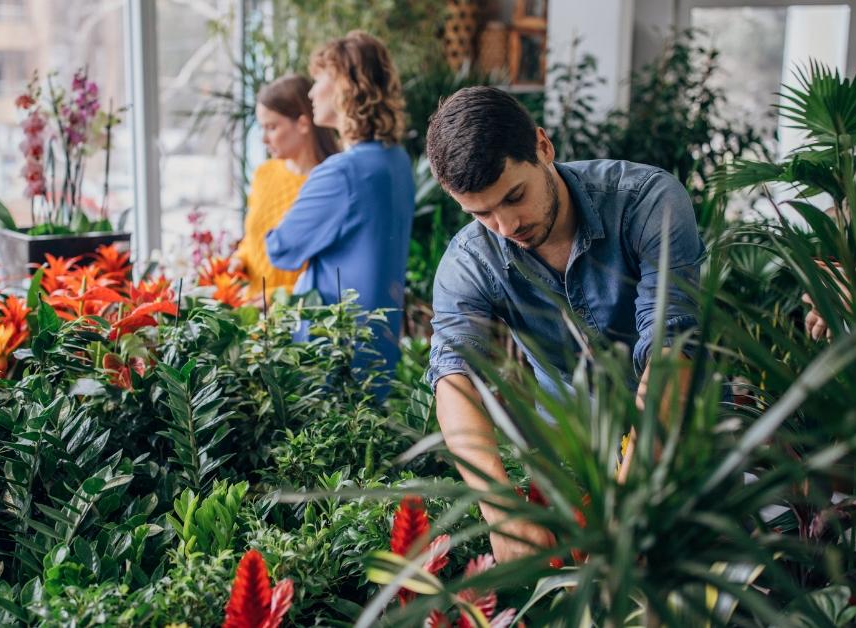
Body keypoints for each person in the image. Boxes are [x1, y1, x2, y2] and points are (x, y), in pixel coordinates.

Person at [423, 86, 704, 561]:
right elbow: (453, 377)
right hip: (574, 465)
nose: (506, 225)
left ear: (543, 147)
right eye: (482, 213)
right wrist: (502, 510)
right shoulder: (471, 259)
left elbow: (670, 346)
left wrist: (628, 493)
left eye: (515, 196)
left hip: (685, 446)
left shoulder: (648, 202)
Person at [266, 31, 415, 376]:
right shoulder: (397, 161)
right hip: (380, 347)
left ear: (346, 87)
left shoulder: (343, 173)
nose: (311, 92)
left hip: (334, 351)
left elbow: (281, 249)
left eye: (320, 79)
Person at [235, 74, 341, 299]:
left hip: (297, 318)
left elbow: (332, 270)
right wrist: (238, 261)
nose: (264, 138)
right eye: (261, 128)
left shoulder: (330, 185)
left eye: (272, 127)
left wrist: (277, 296)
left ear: (303, 124)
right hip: (249, 312)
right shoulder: (263, 174)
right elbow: (253, 238)